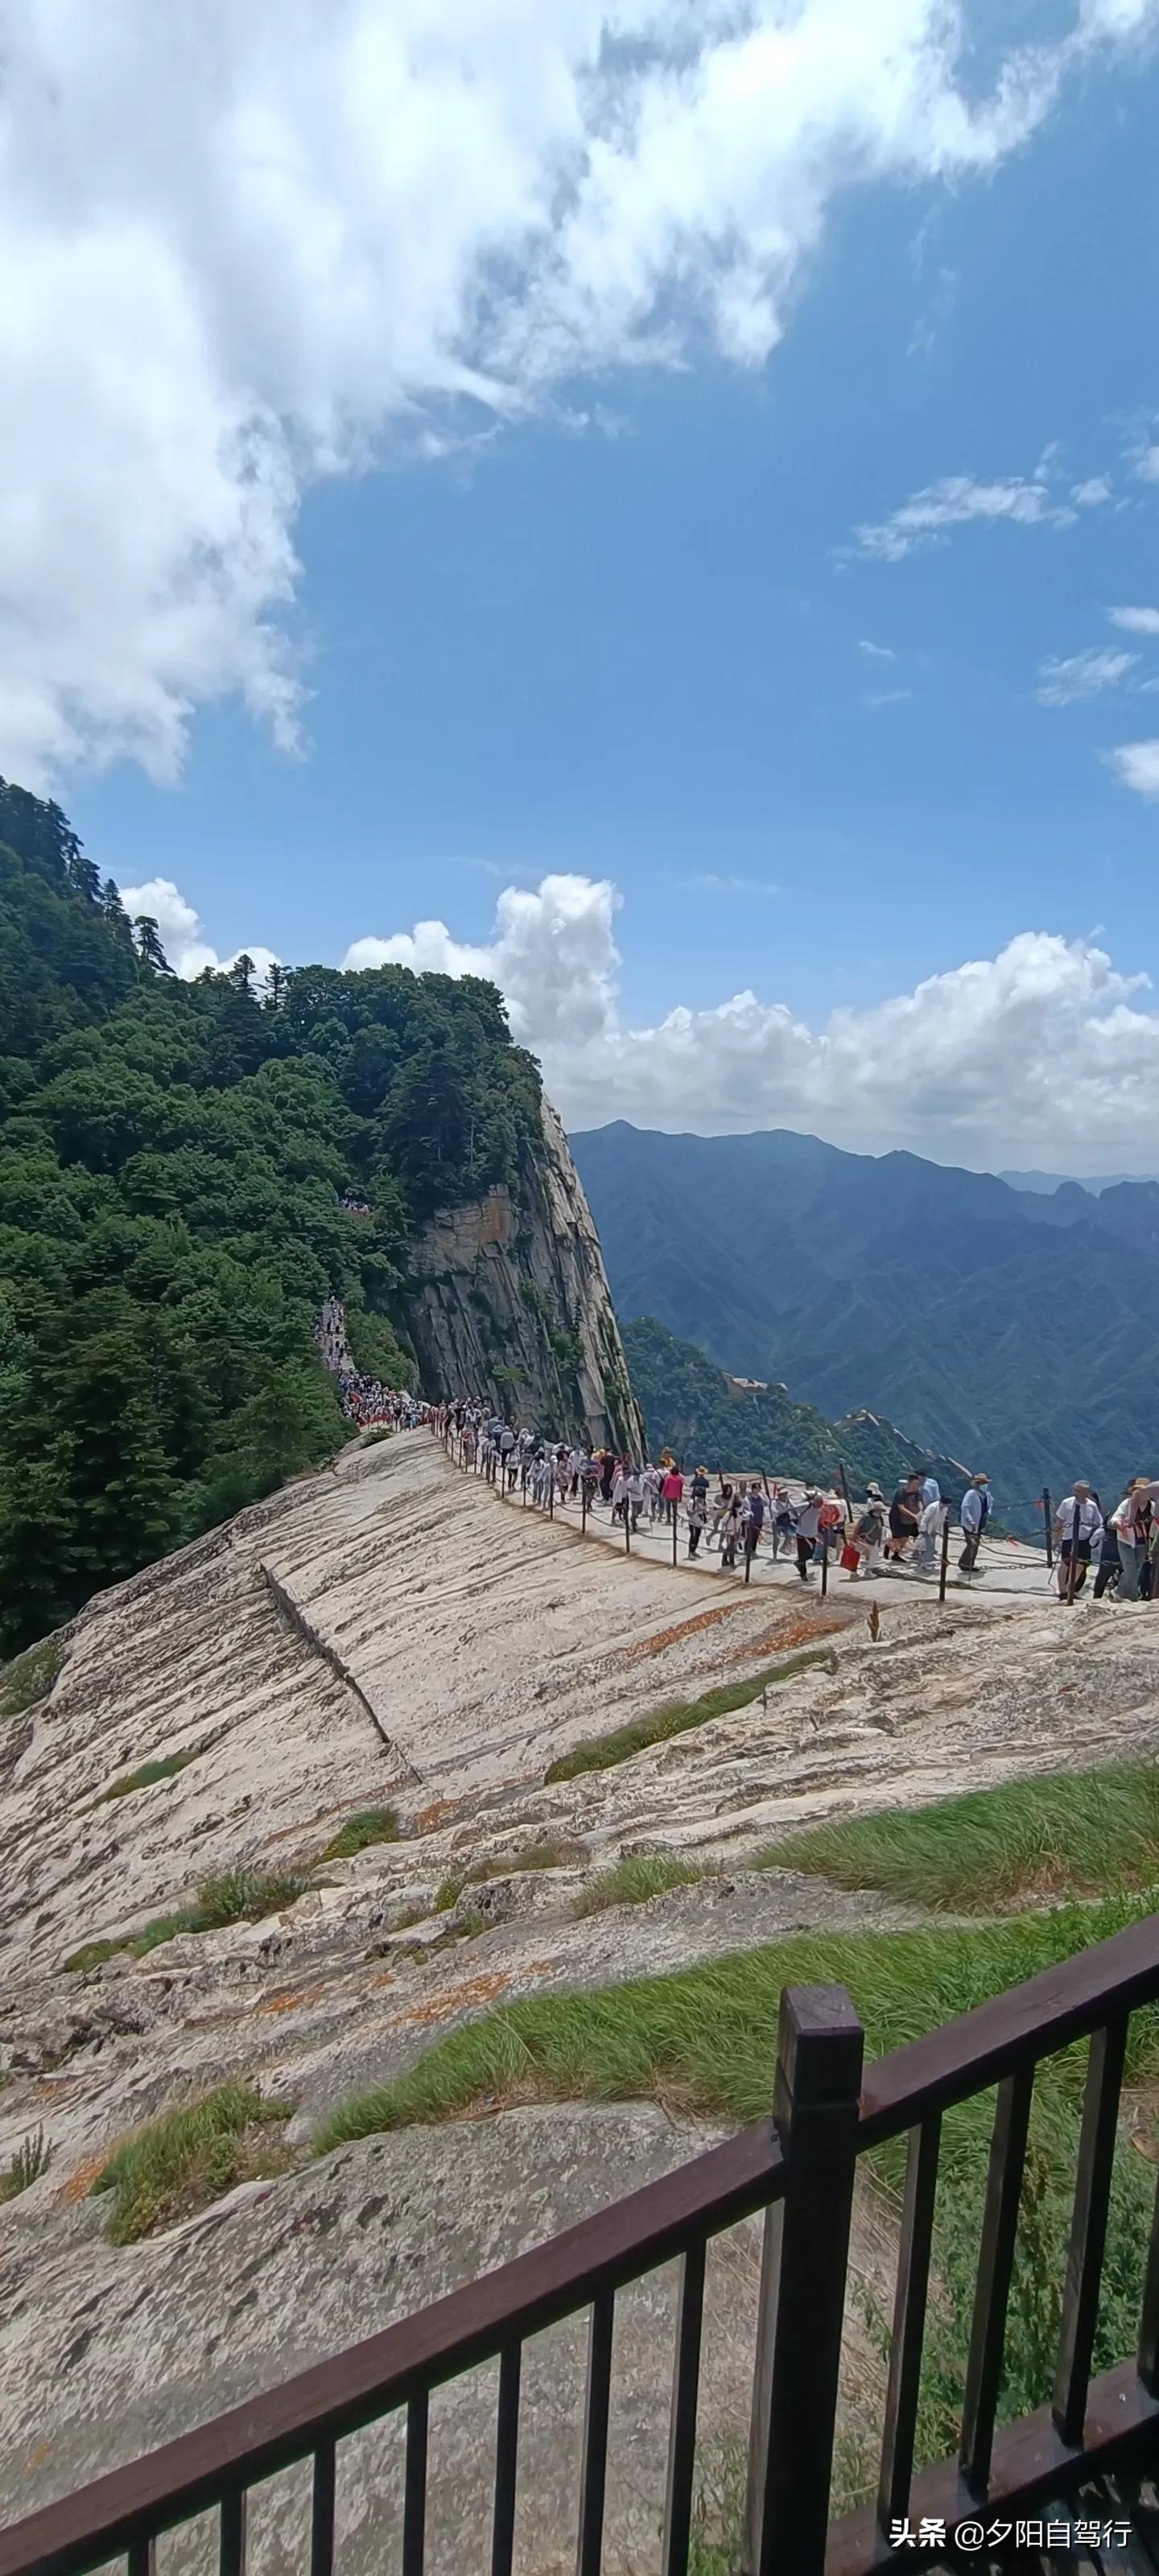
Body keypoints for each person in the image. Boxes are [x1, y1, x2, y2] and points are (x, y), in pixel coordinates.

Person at [1054, 1481, 1102, 1599]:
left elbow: (1097, 1523)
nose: (1075, 1493)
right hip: (1069, 1537)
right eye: (1075, 1490)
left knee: (1080, 1566)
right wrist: (1055, 1540)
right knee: (1066, 1564)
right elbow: (1059, 1523)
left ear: (1086, 1493)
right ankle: (1062, 1591)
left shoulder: (1092, 1506)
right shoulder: (1066, 1503)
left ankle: (1071, 1590)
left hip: (1085, 1540)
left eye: (1079, 1491)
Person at [848, 1484, 885, 1579]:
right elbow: (857, 1527)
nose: (881, 1512)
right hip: (862, 1539)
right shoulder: (866, 1517)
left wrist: (880, 1541)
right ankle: (853, 1572)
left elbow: (881, 1530)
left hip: (874, 1540)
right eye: (880, 1510)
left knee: (872, 1557)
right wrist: (854, 1536)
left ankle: (868, 1571)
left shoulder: (880, 1519)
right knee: (856, 1555)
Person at [959, 1473, 991, 1575]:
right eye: (983, 1483)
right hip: (970, 1523)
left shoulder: (985, 1494)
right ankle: (964, 1563)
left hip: (979, 1523)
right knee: (972, 1543)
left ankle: (970, 1563)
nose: (985, 1485)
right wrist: (970, 1519)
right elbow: (965, 1507)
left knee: (975, 1544)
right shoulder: (971, 1493)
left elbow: (989, 1504)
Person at [887, 1475, 923, 1560]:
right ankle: (892, 1550)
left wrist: (921, 1511)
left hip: (909, 1519)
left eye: (917, 1484)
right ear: (909, 1483)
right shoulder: (901, 1492)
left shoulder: (917, 1492)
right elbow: (901, 1507)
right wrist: (914, 1516)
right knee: (899, 1537)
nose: (916, 1486)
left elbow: (919, 1502)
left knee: (907, 1537)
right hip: (897, 1518)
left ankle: (897, 1553)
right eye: (915, 1484)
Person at [794, 1487, 822, 1581]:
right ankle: (803, 1574)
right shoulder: (805, 1506)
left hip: (811, 1534)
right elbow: (792, 1509)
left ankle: (800, 1564)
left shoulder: (819, 1509)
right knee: (803, 1556)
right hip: (802, 1534)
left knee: (811, 1553)